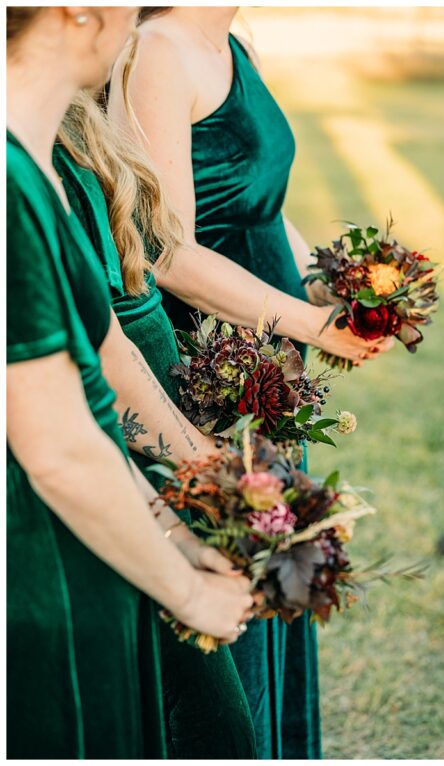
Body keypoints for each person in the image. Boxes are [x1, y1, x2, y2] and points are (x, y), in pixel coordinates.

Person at [109, 8, 384, 758]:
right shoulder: (159, 51)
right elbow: (167, 253)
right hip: (212, 362)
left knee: (279, 563)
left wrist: (337, 286)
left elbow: (265, 205)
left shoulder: (235, 41)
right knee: (243, 557)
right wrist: (308, 322)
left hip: (270, 353)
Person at [7, 7, 253, 757]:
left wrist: (178, 522)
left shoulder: (35, 165)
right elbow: (58, 448)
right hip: (42, 574)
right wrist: (190, 594)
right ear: (77, 11)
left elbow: (103, 368)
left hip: (90, 539)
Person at [56, 93, 258, 757]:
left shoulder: (76, 124)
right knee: (198, 717)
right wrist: (200, 465)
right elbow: (101, 356)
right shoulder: (29, 160)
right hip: (121, 459)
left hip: (155, 453)